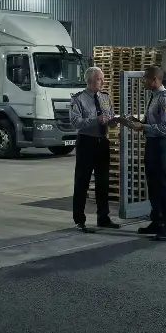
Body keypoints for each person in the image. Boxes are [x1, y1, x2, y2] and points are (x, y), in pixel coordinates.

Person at [69, 66, 122, 233]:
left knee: (103, 182)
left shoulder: (105, 97)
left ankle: (103, 217)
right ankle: (79, 220)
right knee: (82, 182)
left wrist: (113, 121)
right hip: (86, 143)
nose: (103, 81)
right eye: (100, 79)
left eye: (103, 78)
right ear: (90, 80)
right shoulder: (78, 99)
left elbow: (109, 115)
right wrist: (96, 120)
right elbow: (76, 123)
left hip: (102, 142)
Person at [129, 66, 166, 241]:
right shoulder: (154, 97)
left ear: (154, 79)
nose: (143, 81)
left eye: (145, 79)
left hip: (162, 146)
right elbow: (153, 121)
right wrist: (138, 122)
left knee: (164, 186)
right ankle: (157, 221)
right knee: (153, 185)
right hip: (152, 144)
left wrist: (143, 126)